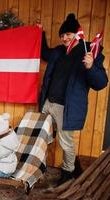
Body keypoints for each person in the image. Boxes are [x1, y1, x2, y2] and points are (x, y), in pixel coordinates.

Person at [38, 13, 108, 186]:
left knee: (66, 143)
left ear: (77, 33)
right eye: (62, 35)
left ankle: (68, 173)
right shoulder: (60, 51)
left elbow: (101, 83)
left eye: (68, 34)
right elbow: (45, 53)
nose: (64, 38)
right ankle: (40, 167)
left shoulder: (90, 50)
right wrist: (40, 33)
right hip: (48, 103)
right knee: (42, 136)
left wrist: (91, 66)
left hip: (66, 108)